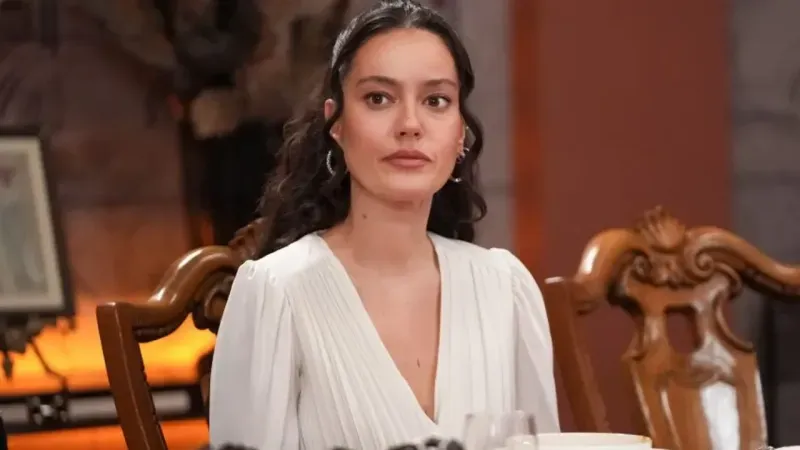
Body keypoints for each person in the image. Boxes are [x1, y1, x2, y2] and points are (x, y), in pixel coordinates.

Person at [209, 1, 560, 448]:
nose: (410, 124)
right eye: (379, 98)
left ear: (460, 134)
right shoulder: (277, 293)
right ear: (336, 124)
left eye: (435, 101)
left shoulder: (506, 289)